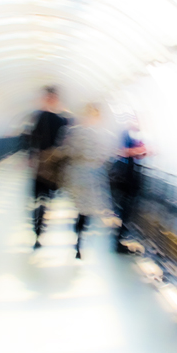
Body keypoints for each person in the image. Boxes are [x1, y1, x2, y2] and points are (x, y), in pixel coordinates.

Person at [59, 103, 114, 259]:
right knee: (88, 210)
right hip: (94, 175)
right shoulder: (106, 135)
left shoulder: (74, 132)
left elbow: (68, 150)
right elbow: (107, 156)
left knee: (79, 208)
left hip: (77, 173)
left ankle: (77, 239)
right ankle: (80, 241)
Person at [28, 86, 69, 248]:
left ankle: (39, 229)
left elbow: (33, 139)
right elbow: (32, 139)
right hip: (45, 165)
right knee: (40, 197)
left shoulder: (51, 118)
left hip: (48, 165)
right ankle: (38, 230)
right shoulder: (53, 118)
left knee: (42, 198)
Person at [111, 120, 147, 253]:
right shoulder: (124, 134)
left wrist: (142, 152)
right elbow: (122, 151)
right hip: (125, 179)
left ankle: (119, 239)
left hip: (129, 178)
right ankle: (118, 241)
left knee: (126, 210)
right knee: (124, 209)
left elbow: (134, 153)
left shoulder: (133, 136)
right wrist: (140, 150)